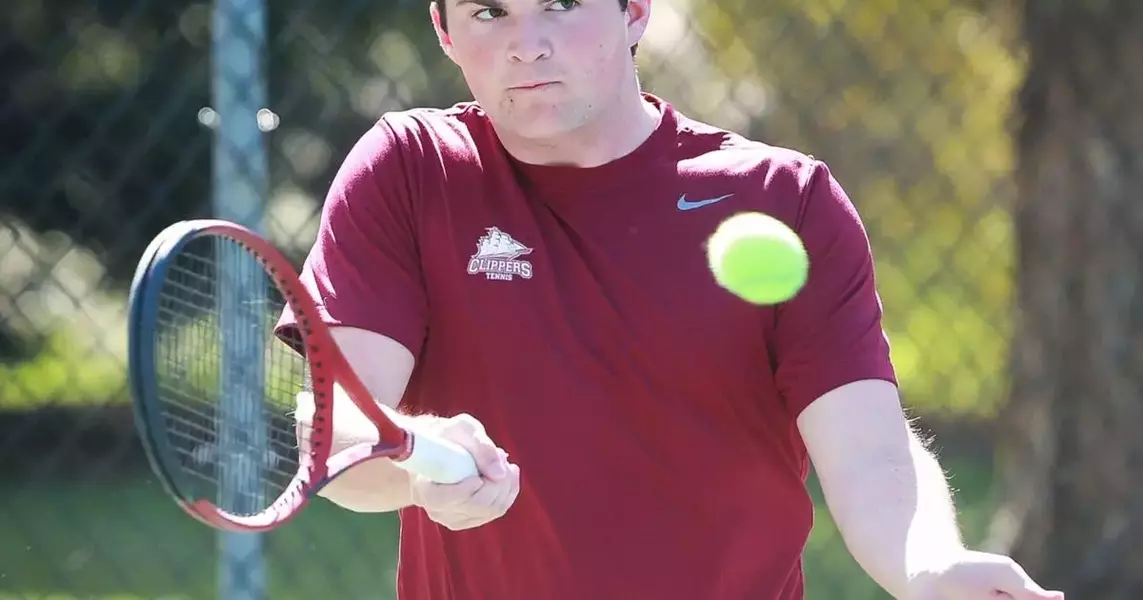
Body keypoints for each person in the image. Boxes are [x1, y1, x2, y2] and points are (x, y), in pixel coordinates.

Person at [274, 0, 1065, 598]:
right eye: (488, 10)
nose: (526, 42)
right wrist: (417, 464)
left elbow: (867, 449)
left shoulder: (786, 200)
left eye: (559, 2)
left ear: (634, 11)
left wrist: (929, 567)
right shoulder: (408, 172)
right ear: (444, 30)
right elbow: (340, 429)